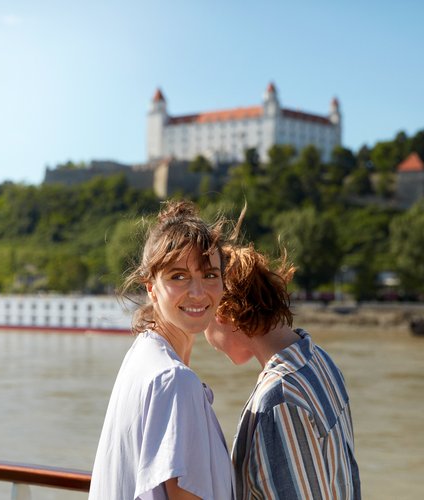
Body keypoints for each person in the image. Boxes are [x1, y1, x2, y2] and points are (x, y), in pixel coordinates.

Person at [89, 201, 234, 500]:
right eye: (178, 276)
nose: (198, 292)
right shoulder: (174, 381)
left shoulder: (141, 356)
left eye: (209, 275)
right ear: (151, 287)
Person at [205, 244, 361, 499]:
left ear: (223, 313)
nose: (207, 339)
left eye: (205, 314)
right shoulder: (319, 360)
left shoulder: (279, 398)